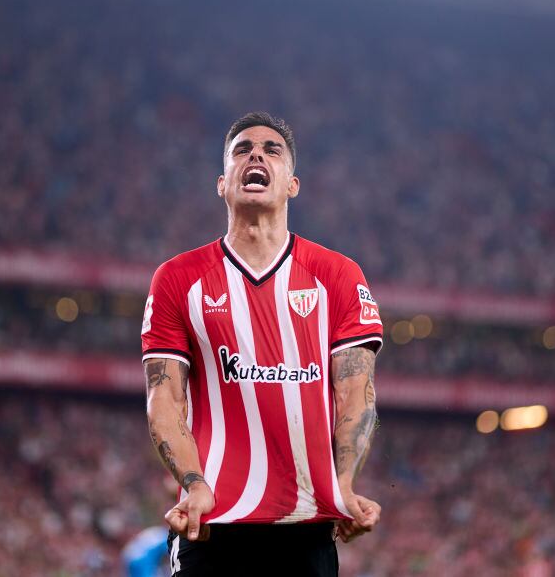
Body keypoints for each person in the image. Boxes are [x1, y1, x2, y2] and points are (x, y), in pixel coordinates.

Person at [141, 112, 383, 576]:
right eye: (242, 149)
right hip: (211, 525)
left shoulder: (337, 275)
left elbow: (356, 394)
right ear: (222, 183)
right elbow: (165, 400)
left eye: (272, 150)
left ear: (292, 183)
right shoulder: (177, 278)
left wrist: (344, 483)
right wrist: (193, 484)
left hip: (307, 526)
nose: (256, 154)